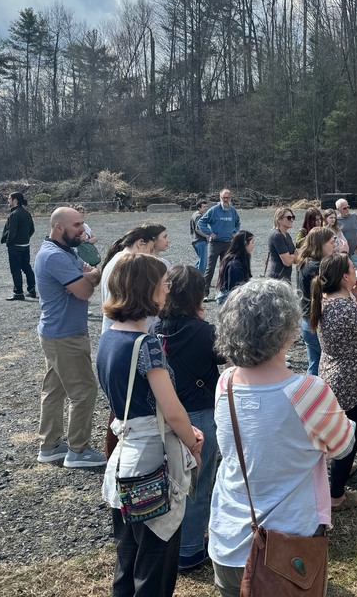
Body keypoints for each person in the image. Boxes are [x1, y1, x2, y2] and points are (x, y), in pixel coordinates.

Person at [209, 279, 355, 597]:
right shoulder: (307, 391)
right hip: (290, 544)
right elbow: (343, 445)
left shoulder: (226, 383)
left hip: (227, 540)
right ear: (287, 332)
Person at [96, 254, 205, 596]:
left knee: (128, 556)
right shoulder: (146, 345)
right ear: (148, 289)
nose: (167, 290)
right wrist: (192, 442)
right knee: (155, 563)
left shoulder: (108, 337)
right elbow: (172, 411)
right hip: (151, 461)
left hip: (123, 458)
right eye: (163, 283)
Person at [150, 265, 225, 572]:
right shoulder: (204, 331)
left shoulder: (154, 328)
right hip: (200, 413)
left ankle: (169, 544)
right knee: (198, 484)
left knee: (170, 482)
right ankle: (191, 548)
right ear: (197, 295)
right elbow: (225, 354)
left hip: (164, 414)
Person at [33, 207, 107, 469]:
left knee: (55, 390)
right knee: (84, 391)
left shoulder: (66, 251)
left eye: (82, 223)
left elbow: (84, 278)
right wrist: (91, 276)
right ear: (58, 227)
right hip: (65, 336)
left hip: (56, 332)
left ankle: (50, 446)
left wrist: (85, 276)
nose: (82, 229)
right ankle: (78, 450)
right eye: (76, 225)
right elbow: (84, 291)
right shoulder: (54, 256)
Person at [310, 254, 357, 510]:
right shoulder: (347, 308)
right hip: (353, 379)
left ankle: (340, 470)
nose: (356, 272)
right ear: (344, 277)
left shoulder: (324, 300)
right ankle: (336, 496)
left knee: (337, 431)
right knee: (350, 434)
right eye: (353, 269)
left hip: (331, 373)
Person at [100, 224, 170, 334]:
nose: (150, 255)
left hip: (116, 328)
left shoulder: (116, 259)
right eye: (150, 249)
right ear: (140, 243)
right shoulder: (127, 264)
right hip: (127, 330)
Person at [298, 226, 336, 376]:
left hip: (307, 319)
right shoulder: (316, 267)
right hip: (315, 320)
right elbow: (331, 290)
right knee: (323, 364)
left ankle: (311, 388)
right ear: (321, 244)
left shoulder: (305, 262)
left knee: (314, 362)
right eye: (332, 242)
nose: (334, 246)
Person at [197, 189, 240, 297]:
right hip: (215, 244)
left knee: (225, 269)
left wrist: (234, 232)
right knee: (210, 268)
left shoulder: (233, 211)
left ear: (230, 198)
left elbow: (237, 223)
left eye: (227, 198)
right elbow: (201, 222)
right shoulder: (214, 210)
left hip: (228, 243)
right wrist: (209, 233)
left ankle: (222, 292)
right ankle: (204, 293)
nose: (225, 200)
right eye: (223, 198)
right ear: (220, 198)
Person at [2, 191, 37, 301]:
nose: (8, 201)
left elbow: (12, 232)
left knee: (15, 269)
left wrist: (8, 242)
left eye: (9, 199)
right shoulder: (27, 213)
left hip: (15, 246)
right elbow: (32, 229)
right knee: (26, 267)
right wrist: (26, 238)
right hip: (25, 245)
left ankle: (18, 293)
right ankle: (32, 289)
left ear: (15, 201)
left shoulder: (14, 214)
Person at [215, 230, 253, 306]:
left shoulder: (241, 259)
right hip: (234, 302)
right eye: (252, 242)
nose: (253, 246)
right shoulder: (235, 265)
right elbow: (235, 291)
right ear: (245, 243)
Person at [264, 208, 297, 282]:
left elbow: (297, 259)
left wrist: (291, 256)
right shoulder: (277, 236)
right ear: (279, 220)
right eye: (289, 218)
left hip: (285, 278)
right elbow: (287, 262)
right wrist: (293, 256)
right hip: (276, 279)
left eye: (293, 217)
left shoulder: (287, 235)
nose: (292, 220)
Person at [336, 198, 357, 267]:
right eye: (344, 208)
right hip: (343, 255)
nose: (347, 209)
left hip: (355, 253)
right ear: (338, 209)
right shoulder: (336, 221)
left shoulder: (355, 217)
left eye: (348, 207)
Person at [190, 200, 209, 274]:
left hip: (195, 240)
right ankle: (200, 278)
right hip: (200, 241)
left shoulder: (194, 214)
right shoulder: (199, 217)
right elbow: (197, 229)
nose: (206, 208)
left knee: (200, 261)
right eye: (204, 207)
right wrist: (206, 236)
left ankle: (192, 275)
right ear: (199, 208)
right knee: (203, 263)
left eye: (206, 206)